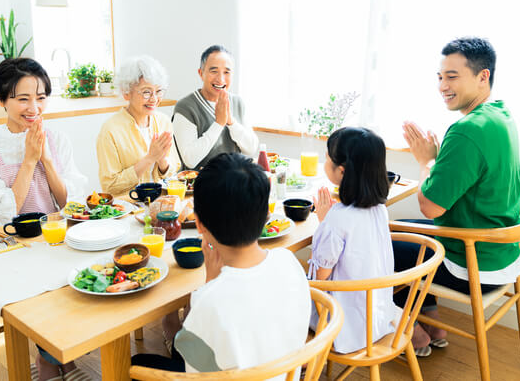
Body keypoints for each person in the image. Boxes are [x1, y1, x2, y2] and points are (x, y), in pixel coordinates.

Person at [394, 37, 520, 356]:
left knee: (373, 241)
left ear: (483, 76)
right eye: (440, 77)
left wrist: (426, 161)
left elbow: (429, 207)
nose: (442, 86)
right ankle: (432, 320)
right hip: (502, 252)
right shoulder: (501, 116)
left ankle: (410, 329)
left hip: (473, 264)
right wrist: (437, 162)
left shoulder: (467, 130)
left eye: (452, 76)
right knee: (399, 229)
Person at [132, 153, 310, 377]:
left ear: (198, 224)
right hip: (282, 373)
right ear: (267, 214)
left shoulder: (209, 301)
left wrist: (210, 285)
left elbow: (198, 373)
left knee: (136, 362)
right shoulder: (289, 262)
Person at [0, 58, 87, 380]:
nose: (34, 107)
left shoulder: (57, 139)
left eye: (41, 97)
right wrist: (28, 160)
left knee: (84, 279)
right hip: (10, 245)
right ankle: (49, 361)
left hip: (54, 237)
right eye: (23, 99)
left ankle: (63, 354)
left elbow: (69, 203)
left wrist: (46, 159)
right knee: (37, 294)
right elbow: (3, 213)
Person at [307, 127, 395, 353]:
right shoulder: (378, 208)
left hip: (343, 324)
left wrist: (325, 224)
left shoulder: (338, 219)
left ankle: (301, 359)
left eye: (327, 158)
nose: (325, 162)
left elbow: (321, 278)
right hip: (377, 314)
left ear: (342, 171)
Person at [96, 56, 179, 196]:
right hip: (128, 209)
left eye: (158, 91)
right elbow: (110, 187)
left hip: (162, 203)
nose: (154, 99)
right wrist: (149, 159)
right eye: (146, 92)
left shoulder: (163, 122)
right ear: (126, 93)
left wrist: (162, 160)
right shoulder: (110, 130)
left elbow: (173, 171)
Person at [172, 45, 258, 170]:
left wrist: (231, 122)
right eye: (214, 71)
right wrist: (219, 123)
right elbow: (190, 160)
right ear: (201, 73)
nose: (221, 79)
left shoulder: (238, 102)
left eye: (226, 72)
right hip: (203, 184)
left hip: (236, 180)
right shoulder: (185, 107)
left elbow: (251, 149)